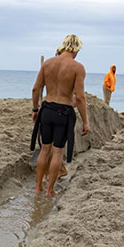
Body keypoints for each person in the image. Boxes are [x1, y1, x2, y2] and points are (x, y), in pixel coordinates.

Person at [30, 34, 89, 197]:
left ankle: (37, 188)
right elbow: (80, 97)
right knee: (57, 152)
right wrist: (85, 121)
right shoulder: (78, 67)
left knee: (44, 150)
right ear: (76, 49)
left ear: (63, 46)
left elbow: (36, 89)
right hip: (63, 112)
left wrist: (35, 110)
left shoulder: (48, 63)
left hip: (47, 109)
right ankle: (50, 190)